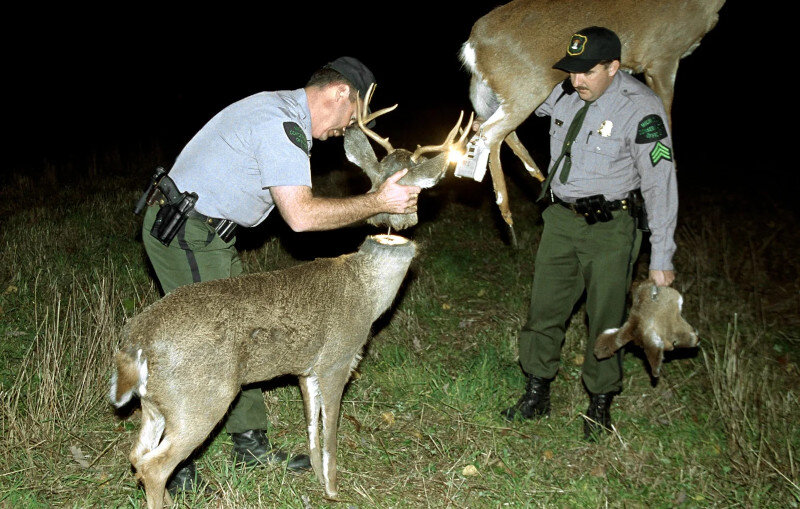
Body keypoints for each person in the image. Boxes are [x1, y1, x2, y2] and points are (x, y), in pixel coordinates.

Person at [137, 56, 421, 495]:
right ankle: (175, 464)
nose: (348, 127)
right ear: (340, 93)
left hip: (208, 231)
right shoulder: (283, 125)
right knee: (208, 343)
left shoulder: (280, 110)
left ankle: (249, 444)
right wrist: (377, 202)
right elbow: (302, 217)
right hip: (187, 232)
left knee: (244, 335)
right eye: (353, 116)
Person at [500, 27, 678, 439]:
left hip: (611, 229)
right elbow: (522, 101)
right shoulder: (566, 93)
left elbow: (660, 185)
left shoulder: (643, 110)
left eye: (588, 72)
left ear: (614, 67)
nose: (576, 80)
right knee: (544, 311)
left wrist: (662, 257)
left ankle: (599, 403)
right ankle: (536, 392)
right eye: (572, 71)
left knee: (605, 320)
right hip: (560, 221)